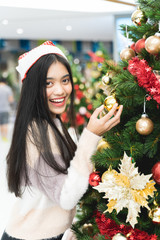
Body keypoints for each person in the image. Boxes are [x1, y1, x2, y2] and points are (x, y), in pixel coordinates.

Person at [1, 41, 123, 240]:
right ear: (33, 88)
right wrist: (91, 135)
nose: (60, 90)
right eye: (48, 83)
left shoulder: (50, 124)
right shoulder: (37, 132)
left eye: (65, 80)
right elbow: (66, 197)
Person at [0, 77, 14, 142]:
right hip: (6, 109)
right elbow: (11, 100)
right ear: (5, 82)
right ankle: (5, 137)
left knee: (0, 123)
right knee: (5, 123)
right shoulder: (8, 89)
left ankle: (2, 136)